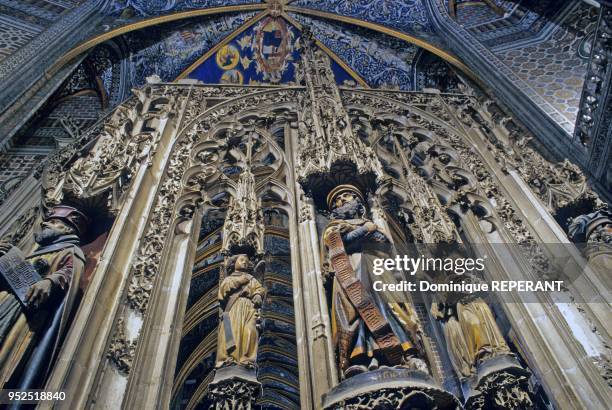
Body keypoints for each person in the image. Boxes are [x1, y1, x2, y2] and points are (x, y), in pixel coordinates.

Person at [322, 184, 427, 379]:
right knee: (356, 313)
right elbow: (339, 244)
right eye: (338, 200)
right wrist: (365, 231)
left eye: (347, 196)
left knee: (388, 308)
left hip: (378, 272)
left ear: (358, 203)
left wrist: (366, 231)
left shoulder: (368, 223)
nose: (343, 200)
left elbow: (383, 242)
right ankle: (361, 358)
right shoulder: (334, 228)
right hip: (349, 273)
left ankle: (403, 354)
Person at [0, 205, 88, 388]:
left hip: (24, 314)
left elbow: (70, 273)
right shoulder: (34, 252)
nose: (46, 224)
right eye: (47, 221)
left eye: (54, 222)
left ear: (68, 228)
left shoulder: (70, 251)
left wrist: (50, 282)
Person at [216, 254, 266, 368]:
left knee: (250, 331)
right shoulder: (229, 279)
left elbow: (260, 289)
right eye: (242, 260)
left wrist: (258, 294)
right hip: (233, 308)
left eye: (247, 262)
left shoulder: (251, 279)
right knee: (231, 333)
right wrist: (240, 281)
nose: (244, 262)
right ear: (234, 263)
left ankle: (246, 359)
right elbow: (223, 293)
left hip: (249, 308)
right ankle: (229, 359)